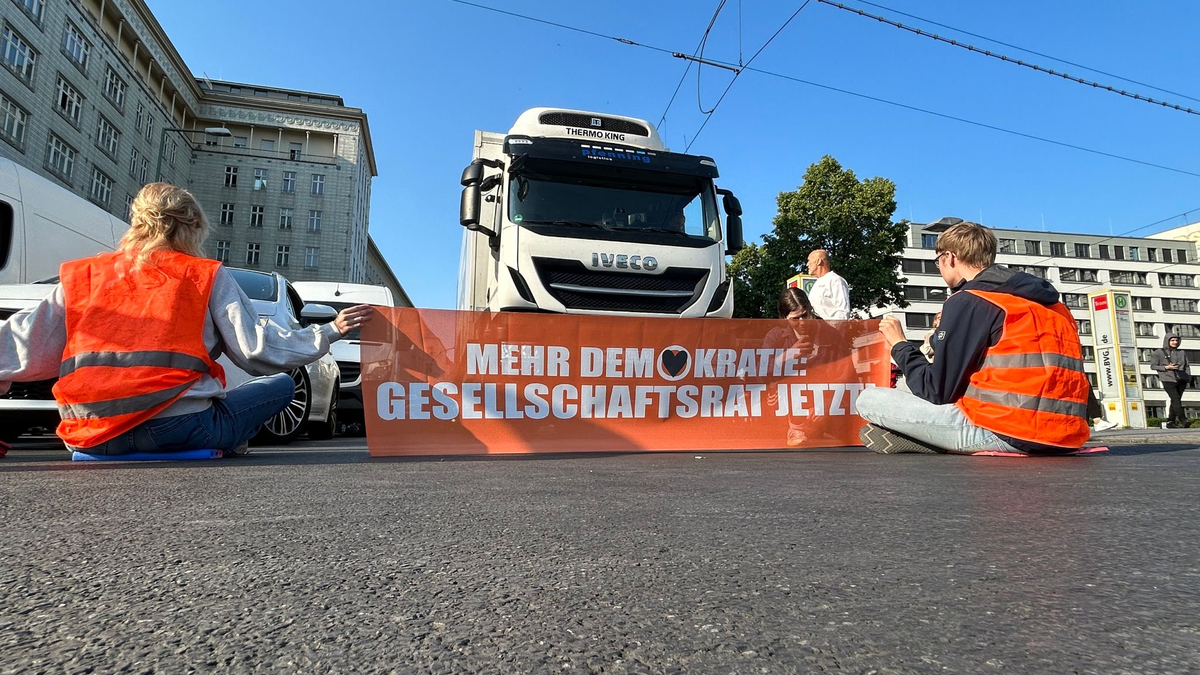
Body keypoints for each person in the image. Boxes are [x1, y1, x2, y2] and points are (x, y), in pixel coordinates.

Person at [0, 183, 372, 456]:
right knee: (281, 387)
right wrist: (330, 330)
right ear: (191, 228)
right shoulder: (202, 274)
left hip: (90, 433)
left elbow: (24, 341)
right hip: (179, 428)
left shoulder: (84, 276)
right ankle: (228, 442)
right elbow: (257, 350)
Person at [856, 221, 1090, 454]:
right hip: (1066, 437)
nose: (939, 267)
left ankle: (931, 441)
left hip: (1006, 432)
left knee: (868, 400)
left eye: (937, 261)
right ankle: (928, 438)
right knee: (907, 384)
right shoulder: (1054, 306)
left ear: (949, 257)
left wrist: (899, 344)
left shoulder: (970, 300)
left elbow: (937, 391)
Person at [762, 287, 849, 446]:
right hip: (787, 412)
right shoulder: (776, 336)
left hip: (828, 409)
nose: (802, 322)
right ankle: (796, 428)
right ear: (784, 318)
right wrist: (787, 356)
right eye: (795, 319)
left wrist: (828, 401)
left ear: (810, 309)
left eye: (805, 315)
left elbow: (847, 375)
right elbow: (760, 372)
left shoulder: (832, 335)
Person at [1151, 333, 1191, 428]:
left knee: (1175, 400)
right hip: (1167, 379)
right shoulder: (1158, 352)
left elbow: (1187, 366)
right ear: (1167, 341)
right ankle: (1183, 419)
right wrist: (1166, 367)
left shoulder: (1182, 352)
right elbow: (1153, 366)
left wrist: (1188, 378)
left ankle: (1170, 421)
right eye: (1172, 340)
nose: (1175, 342)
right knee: (1175, 399)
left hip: (1181, 379)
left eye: (1176, 340)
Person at [805, 249, 851, 320]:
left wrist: (831, 329)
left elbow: (843, 311)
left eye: (809, 261)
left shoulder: (835, 280)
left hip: (832, 329)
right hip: (818, 329)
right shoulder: (817, 283)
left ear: (819, 261)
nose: (807, 264)